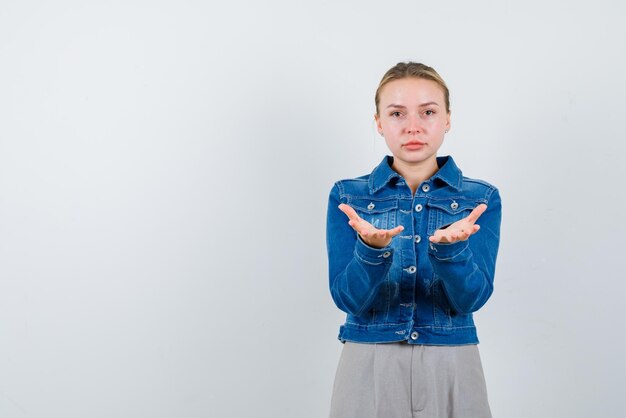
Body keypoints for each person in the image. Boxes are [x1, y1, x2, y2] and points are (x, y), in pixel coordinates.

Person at [326, 62, 502, 418]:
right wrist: (371, 252)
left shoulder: (479, 199)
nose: (413, 126)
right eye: (396, 113)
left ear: (448, 119)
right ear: (378, 122)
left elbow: (472, 299)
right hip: (369, 358)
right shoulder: (349, 197)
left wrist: (451, 252)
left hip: (452, 361)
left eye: (428, 112)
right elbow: (347, 298)